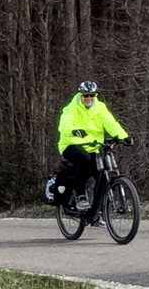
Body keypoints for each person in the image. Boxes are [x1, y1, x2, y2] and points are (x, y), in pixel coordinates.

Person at [53, 81, 130, 209]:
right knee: (84, 158)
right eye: (86, 96)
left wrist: (124, 136)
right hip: (70, 145)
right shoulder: (71, 108)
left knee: (101, 175)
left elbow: (111, 123)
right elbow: (64, 125)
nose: (89, 98)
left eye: (91, 96)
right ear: (81, 95)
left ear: (95, 96)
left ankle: (96, 211)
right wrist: (73, 131)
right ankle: (80, 195)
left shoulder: (100, 108)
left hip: (92, 146)